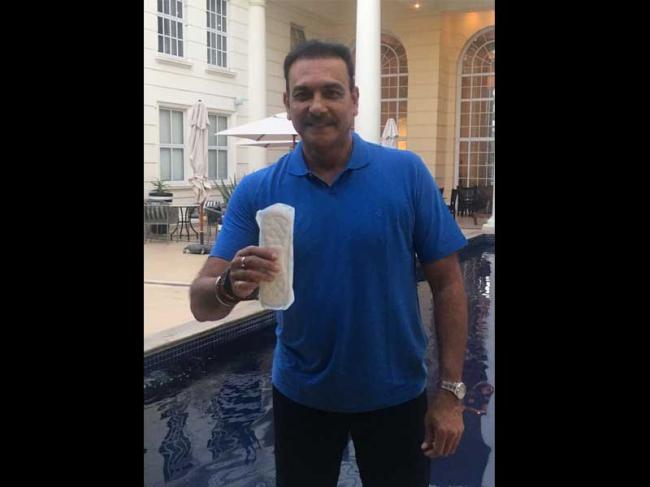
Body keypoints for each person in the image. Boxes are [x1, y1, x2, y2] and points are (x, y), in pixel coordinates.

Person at [190, 39, 469, 487]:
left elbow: (449, 283)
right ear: (288, 104)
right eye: (303, 94)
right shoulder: (258, 190)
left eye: (332, 92)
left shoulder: (406, 174)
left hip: (396, 397)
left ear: (354, 100)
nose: (317, 105)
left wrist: (451, 393)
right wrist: (228, 284)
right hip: (301, 398)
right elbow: (202, 304)